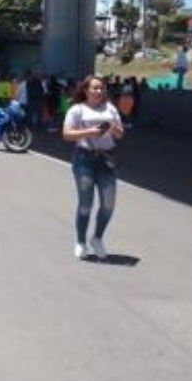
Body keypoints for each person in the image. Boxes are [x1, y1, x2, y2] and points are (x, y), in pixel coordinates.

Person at [62, 75, 124, 260]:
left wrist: (113, 128)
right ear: (86, 90)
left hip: (107, 159)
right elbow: (66, 134)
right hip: (84, 159)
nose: (99, 91)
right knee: (85, 204)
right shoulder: (77, 109)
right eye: (95, 88)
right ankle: (81, 242)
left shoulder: (110, 108)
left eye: (101, 88)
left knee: (108, 204)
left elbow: (120, 134)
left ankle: (97, 238)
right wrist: (89, 131)